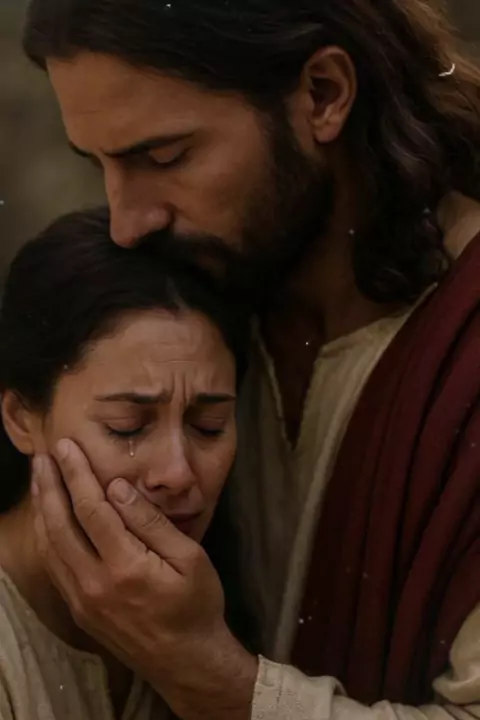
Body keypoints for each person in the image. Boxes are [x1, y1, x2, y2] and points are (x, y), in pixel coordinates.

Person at [21, 1, 480, 719]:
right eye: (99, 164)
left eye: (163, 157)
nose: (128, 223)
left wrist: (209, 679)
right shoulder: (203, 303)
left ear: (323, 95)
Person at [0, 208, 249, 719]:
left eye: (209, 426)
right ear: (22, 419)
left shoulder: (226, 602)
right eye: (127, 427)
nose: (178, 473)